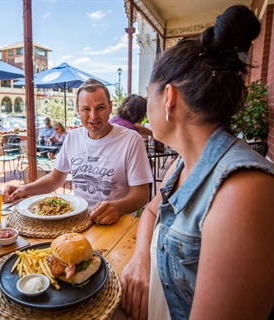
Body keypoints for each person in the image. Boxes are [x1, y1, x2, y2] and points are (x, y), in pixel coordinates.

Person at [120, 5, 274, 320]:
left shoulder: (242, 192)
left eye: (149, 95)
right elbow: (152, 210)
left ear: (169, 99)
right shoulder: (186, 163)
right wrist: (141, 259)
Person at [3, 78, 153, 225]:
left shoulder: (131, 140)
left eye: (100, 107)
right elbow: (55, 179)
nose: (93, 116)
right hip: (77, 221)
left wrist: (117, 207)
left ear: (110, 106)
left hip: (117, 223)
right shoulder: (72, 137)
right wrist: (23, 189)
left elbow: (141, 194)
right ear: (78, 110)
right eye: (86, 109)